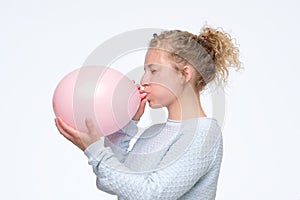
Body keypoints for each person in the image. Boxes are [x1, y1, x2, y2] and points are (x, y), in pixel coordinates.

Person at [55, 25, 241, 200]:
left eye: (153, 71)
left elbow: (152, 194)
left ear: (185, 74)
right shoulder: (154, 133)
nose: (143, 80)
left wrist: (94, 150)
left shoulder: (204, 132)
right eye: (145, 71)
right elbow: (112, 183)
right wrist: (126, 125)